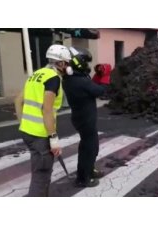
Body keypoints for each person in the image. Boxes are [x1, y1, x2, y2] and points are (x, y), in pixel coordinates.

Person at [14, 44, 72, 196]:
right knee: (41, 177)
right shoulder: (53, 79)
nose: (68, 67)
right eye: (67, 63)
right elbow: (46, 110)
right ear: (60, 63)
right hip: (41, 135)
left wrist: (23, 123)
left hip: (27, 132)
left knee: (37, 170)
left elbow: (18, 101)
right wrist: (53, 138)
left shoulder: (35, 75)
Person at [62, 47, 110, 187]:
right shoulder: (79, 81)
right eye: (85, 63)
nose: (88, 66)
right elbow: (100, 91)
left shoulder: (73, 78)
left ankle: (89, 170)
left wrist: (98, 74)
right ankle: (83, 178)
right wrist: (105, 76)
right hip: (85, 119)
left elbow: (90, 85)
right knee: (88, 149)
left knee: (92, 146)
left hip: (81, 118)